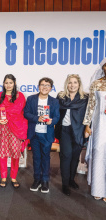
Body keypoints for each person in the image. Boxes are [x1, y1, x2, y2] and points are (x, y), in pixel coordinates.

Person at [0, 74, 28, 188]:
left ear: (14, 83)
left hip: (16, 128)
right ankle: (3, 177)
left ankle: (13, 177)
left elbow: (19, 111)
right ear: (3, 84)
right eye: (6, 83)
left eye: (10, 83)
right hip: (2, 127)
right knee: (2, 153)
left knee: (15, 153)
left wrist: (7, 113)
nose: (8, 85)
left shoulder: (20, 96)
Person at [24, 77, 60, 193]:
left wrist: (52, 121)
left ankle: (45, 180)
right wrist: (37, 118)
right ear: (38, 86)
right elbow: (26, 113)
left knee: (45, 158)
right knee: (36, 158)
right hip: (34, 133)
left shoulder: (54, 101)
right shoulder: (31, 99)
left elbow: (57, 116)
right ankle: (36, 180)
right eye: (42, 85)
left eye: (47, 85)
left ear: (50, 88)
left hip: (47, 134)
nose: (45, 87)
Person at [55, 74, 88, 196]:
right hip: (65, 130)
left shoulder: (85, 97)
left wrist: (88, 129)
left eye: (75, 82)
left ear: (79, 84)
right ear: (66, 84)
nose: (72, 85)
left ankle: (71, 180)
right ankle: (65, 184)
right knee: (66, 156)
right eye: (70, 82)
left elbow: (88, 115)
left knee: (75, 157)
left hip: (79, 131)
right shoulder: (61, 96)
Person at [83, 58, 106, 202]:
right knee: (98, 151)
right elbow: (91, 105)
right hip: (100, 124)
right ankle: (99, 188)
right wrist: (87, 124)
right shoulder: (96, 83)